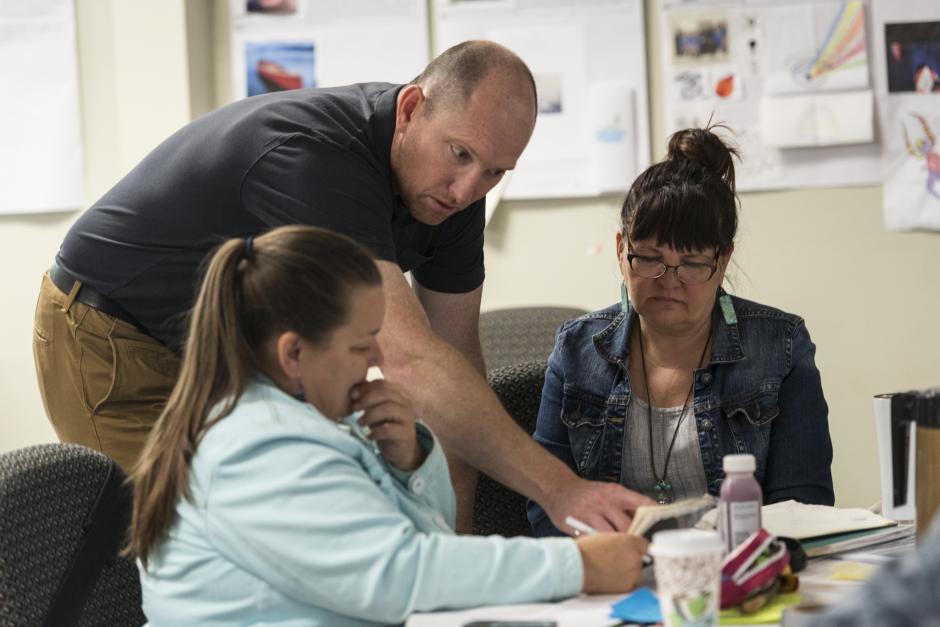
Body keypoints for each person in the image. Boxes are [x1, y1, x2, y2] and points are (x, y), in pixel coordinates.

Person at [32, 40, 650, 532]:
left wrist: (459, 555)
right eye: (459, 154)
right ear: (410, 110)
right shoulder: (322, 161)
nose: (468, 189)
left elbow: (454, 360)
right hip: (111, 332)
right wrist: (561, 488)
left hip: (231, 349)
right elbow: (408, 359)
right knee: (209, 540)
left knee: (309, 518)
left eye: (495, 171)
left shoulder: (454, 201)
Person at [128, 225, 649, 625]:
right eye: (361, 344)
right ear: (293, 353)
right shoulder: (258, 446)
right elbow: (402, 574)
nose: (377, 357)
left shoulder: (301, 420)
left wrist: (408, 464)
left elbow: (423, 543)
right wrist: (576, 565)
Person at [528, 126, 834, 537]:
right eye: (649, 258)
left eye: (692, 263)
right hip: (614, 579)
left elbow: (803, 507)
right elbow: (547, 505)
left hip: (740, 577)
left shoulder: (779, 348)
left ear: (723, 260)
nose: (669, 280)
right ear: (621, 251)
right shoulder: (577, 350)